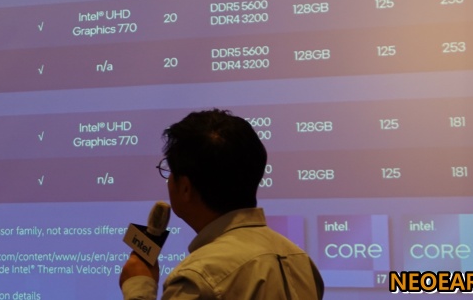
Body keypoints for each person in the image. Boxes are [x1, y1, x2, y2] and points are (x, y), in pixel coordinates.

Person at [120, 109, 324, 300]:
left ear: (185, 188)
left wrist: (138, 287)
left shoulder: (198, 278)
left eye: (170, 171)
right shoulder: (300, 261)